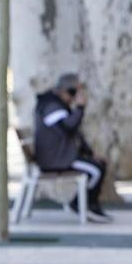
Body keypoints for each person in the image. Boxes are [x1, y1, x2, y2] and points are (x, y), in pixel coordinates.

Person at [34, 73, 111, 223]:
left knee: (99, 165)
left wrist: (90, 153)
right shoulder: (50, 106)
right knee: (95, 171)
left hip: (63, 155)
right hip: (56, 159)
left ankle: (87, 204)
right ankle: (81, 204)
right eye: (73, 92)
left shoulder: (59, 105)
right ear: (63, 91)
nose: (74, 97)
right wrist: (80, 108)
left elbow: (75, 134)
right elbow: (69, 128)